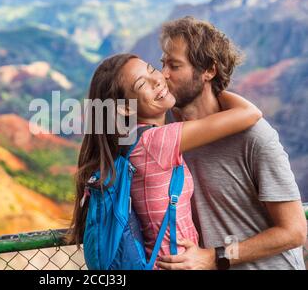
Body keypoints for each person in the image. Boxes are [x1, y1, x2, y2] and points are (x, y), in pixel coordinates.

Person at [67, 52, 262, 269]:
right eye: (142, 83)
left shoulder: (128, 140)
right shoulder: (156, 142)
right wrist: (210, 81)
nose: (158, 80)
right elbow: (249, 113)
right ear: (126, 108)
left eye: (152, 70)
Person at [157, 16, 307, 270]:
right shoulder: (165, 133)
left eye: (174, 66)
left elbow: (294, 232)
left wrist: (216, 257)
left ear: (209, 70)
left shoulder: (254, 137)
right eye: (163, 64)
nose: (164, 75)